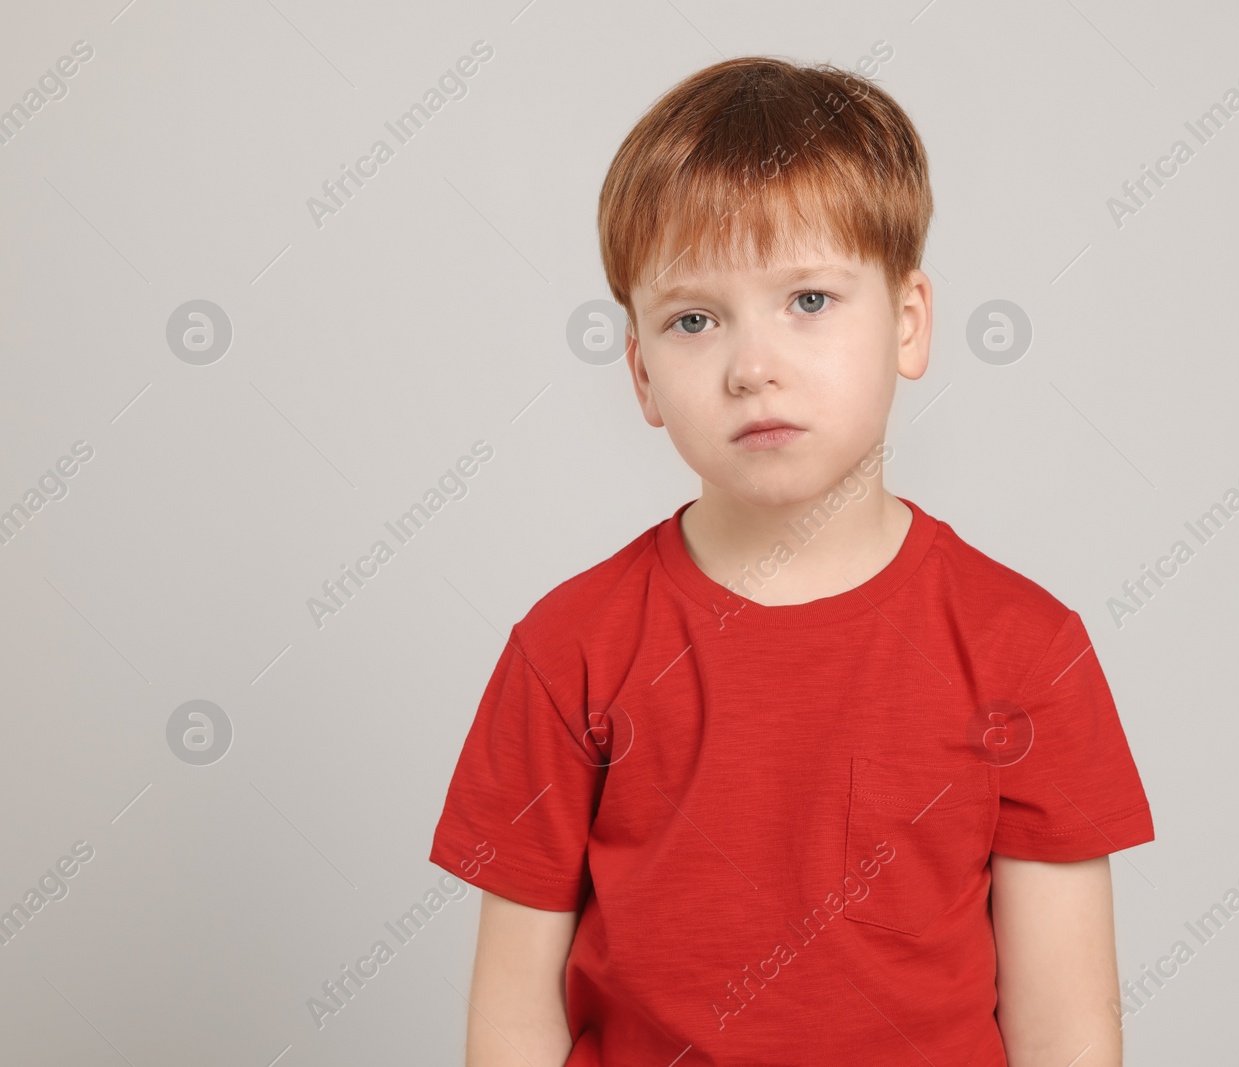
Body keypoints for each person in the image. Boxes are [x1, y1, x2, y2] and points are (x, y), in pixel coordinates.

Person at [429, 54, 1155, 1067]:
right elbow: (510, 1023)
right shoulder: (568, 650)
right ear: (641, 371)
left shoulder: (1026, 649)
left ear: (907, 323)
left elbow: (1067, 1029)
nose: (752, 365)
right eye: (694, 319)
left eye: (808, 300)